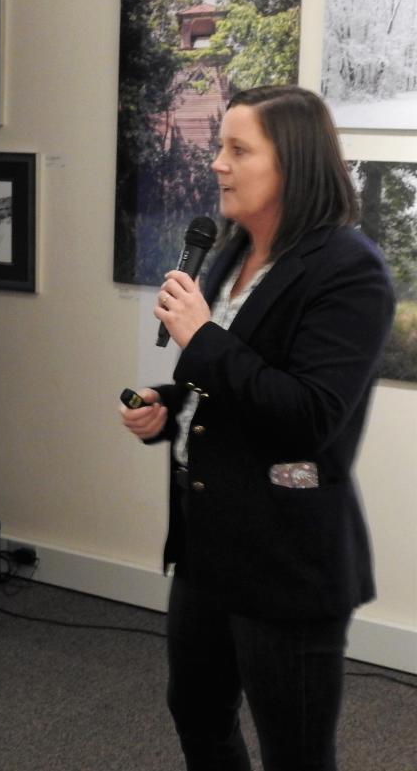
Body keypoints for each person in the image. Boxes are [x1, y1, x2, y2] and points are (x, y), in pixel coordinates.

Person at [120, 85, 395, 771]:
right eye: (220, 145)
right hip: (206, 540)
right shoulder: (232, 249)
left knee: (294, 752)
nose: (217, 163)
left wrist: (202, 338)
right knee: (199, 717)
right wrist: (166, 403)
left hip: (286, 558)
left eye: (238, 149)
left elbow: (307, 416)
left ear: (293, 164)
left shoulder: (349, 269)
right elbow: (223, 381)